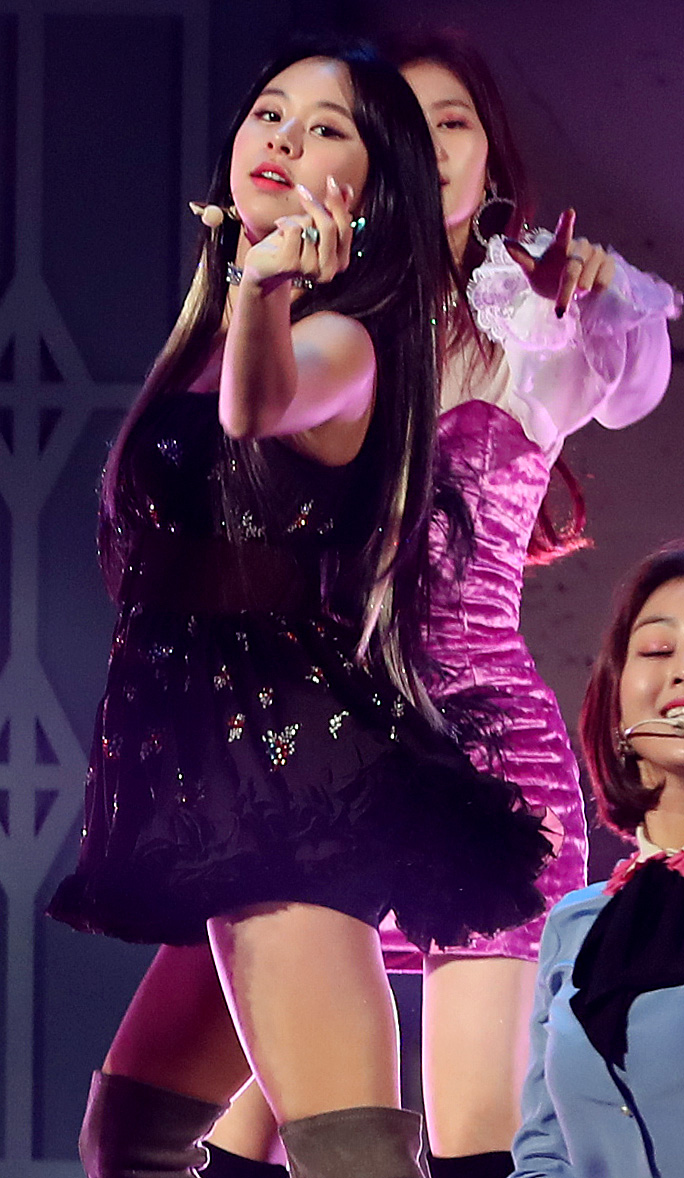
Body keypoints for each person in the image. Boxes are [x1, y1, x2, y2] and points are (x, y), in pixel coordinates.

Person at [47, 39, 552, 1178]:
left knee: (351, 1158)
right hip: (224, 787)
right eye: (270, 112)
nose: (283, 137)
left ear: (376, 190)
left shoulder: (344, 339)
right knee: (129, 1137)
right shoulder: (224, 327)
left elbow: (258, 405)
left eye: (328, 129)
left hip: (291, 799)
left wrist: (266, 283)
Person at [206, 30, 680, 1178]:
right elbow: (247, 419)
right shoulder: (329, 326)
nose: (429, 144)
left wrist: (585, 295)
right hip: (330, 753)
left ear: (488, 157)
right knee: (217, 1141)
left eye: (451, 121)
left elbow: (636, 377)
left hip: (485, 759)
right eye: (400, 128)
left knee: (473, 1148)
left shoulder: (533, 323)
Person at [512, 545, 684, 1178]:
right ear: (615, 702)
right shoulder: (575, 923)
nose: (682, 671)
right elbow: (542, 1151)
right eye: (658, 650)